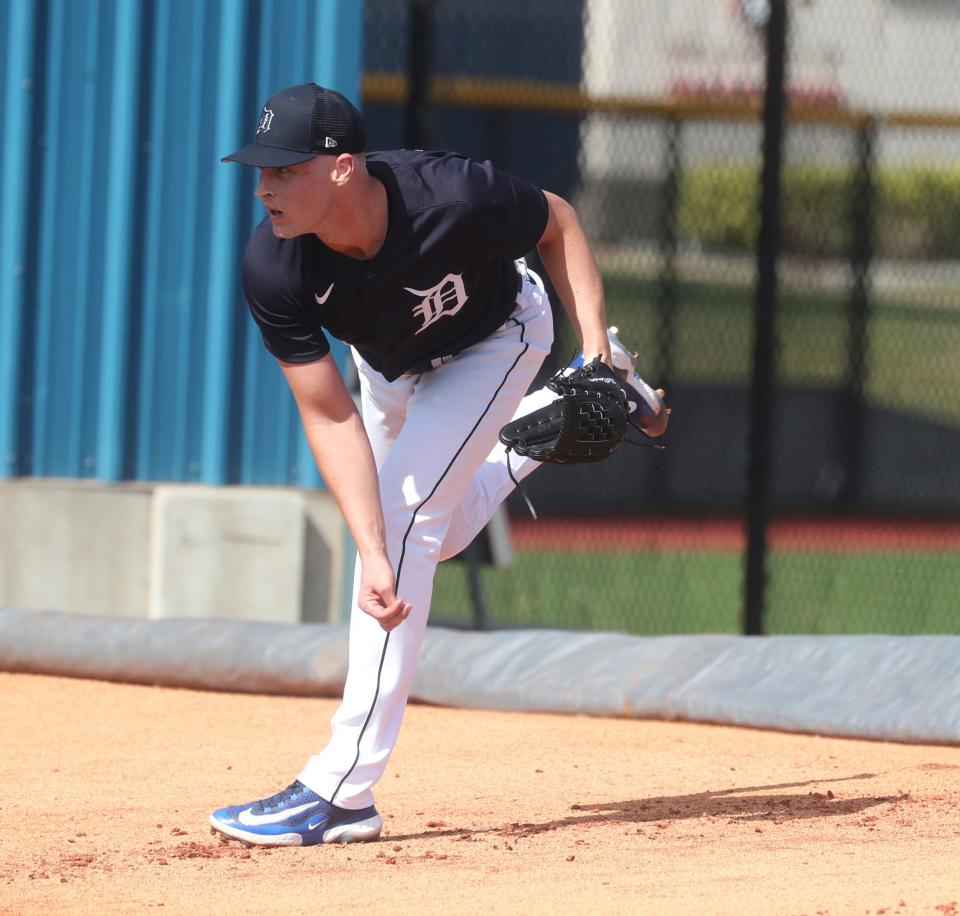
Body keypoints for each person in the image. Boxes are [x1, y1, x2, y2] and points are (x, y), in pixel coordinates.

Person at [209, 83, 668, 847]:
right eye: (260, 169)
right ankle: (553, 423)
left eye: (285, 169)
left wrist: (586, 347)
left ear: (343, 168)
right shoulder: (275, 264)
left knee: (405, 528)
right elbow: (328, 413)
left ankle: (342, 790)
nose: (263, 187)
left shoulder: (448, 193)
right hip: (389, 366)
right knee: (432, 534)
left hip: (497, 338)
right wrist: (367, 545)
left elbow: (558, 220)